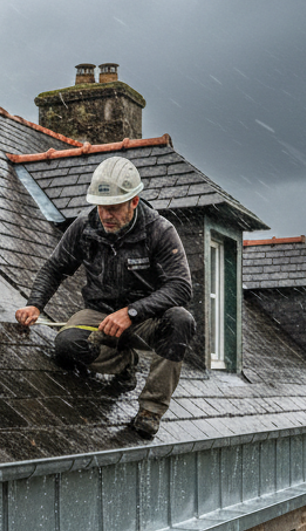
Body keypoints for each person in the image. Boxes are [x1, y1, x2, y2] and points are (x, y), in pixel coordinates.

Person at [15, 156, 194, 440]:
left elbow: (181, 287)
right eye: (100, 207)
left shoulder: (160, 231)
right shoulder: (84, 227)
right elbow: (55, 268)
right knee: (66, 344)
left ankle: (150, 411)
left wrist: (132, 312)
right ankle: (125, 362)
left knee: (181, 320)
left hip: (146, 320)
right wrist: (35, 304)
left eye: (113, 208)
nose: (105, 215)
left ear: (134, 201)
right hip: (99, 316)